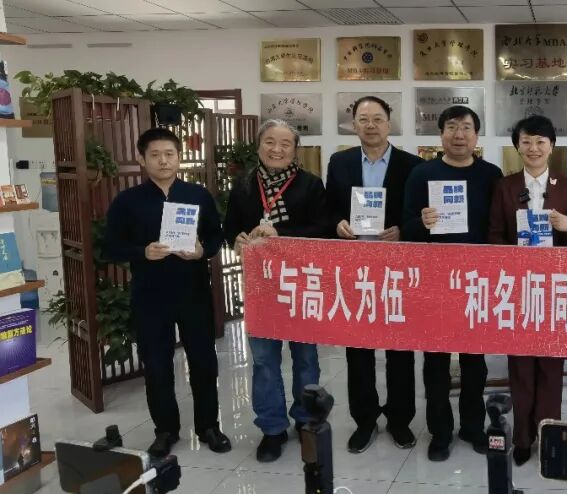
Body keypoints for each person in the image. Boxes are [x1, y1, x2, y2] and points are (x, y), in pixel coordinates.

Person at [103, 128, 231, 458]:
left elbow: (216, 236)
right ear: (141, 159)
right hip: (150, 296)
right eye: (155, 155)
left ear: (179, 157)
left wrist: (202, 251)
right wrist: (142, 252)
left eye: (169, 154)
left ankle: (209, 426)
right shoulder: (127, 201)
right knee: (157, 365)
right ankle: (165, 430)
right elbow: (110, 247)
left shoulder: (197, 195)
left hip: (194, 293)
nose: (163, 161)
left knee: (204, 361)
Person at [223, 119, 329, 463]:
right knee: (264, 360)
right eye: (270, 142)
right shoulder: (243, 185)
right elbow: (230, 229)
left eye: (285, 143)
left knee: (306, 357)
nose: (277, 149)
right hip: (261, 286)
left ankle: (307, 419)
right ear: (259, 146)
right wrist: (237, 239)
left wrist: (280, 236)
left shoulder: (310, 184)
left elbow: (323, 229)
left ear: (295, 150)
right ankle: (272, 428)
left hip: (301, 283)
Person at [402, 105, 503, 462]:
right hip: (435, 281)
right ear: (441, 133)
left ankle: (473, 427)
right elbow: (406, 228)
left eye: (466, 127)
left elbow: (498, 228)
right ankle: (440, 432)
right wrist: (422, 221)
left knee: (475, 362)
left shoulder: (491, 175)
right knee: (436, 363)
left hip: (476, 281)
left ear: (476, 135)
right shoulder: (422, 173)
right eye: (452, 127)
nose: (459, 135)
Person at [325, 96, 424, 454]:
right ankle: (365, 420)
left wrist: (404, 230)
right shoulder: (340, 162)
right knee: (358, 348)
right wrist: (337, 223)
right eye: (363, 119)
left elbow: (419, 216)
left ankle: (400, 419)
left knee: (400, 348)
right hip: (355, 265)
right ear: (354, 124)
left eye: (377, 119)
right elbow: (328, 209)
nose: (370, 125)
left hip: (397, 266)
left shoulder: (412, 165)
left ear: (389, 123)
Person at [488, 115, 567, 466]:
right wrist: (513, 261)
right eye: (526, 141)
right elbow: (494, 235)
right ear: (517, 146)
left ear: (552, 146)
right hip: (518, 288)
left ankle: (549, 433)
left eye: (541, 141)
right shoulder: (505, 186)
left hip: (556, 289)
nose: (533, 148)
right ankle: (523, 438)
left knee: (552, 368)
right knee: (521, 366)